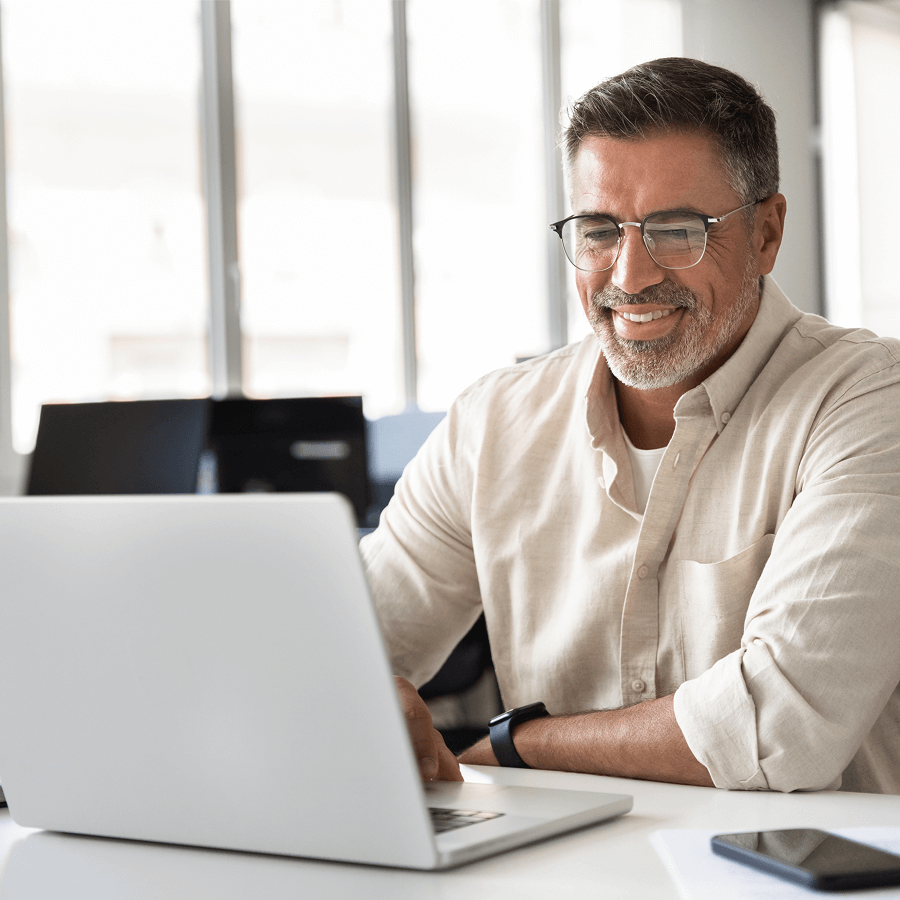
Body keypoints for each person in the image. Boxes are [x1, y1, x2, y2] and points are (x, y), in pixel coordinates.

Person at [360, 57, 900, 794]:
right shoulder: (492, 423)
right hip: (562, 869)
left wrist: (515, 748)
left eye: (678, 230)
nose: (630, 275)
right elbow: (351, 645)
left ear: (767, 233)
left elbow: (779, 725)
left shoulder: (870, 400)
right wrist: (346, 699)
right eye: (599, 231)